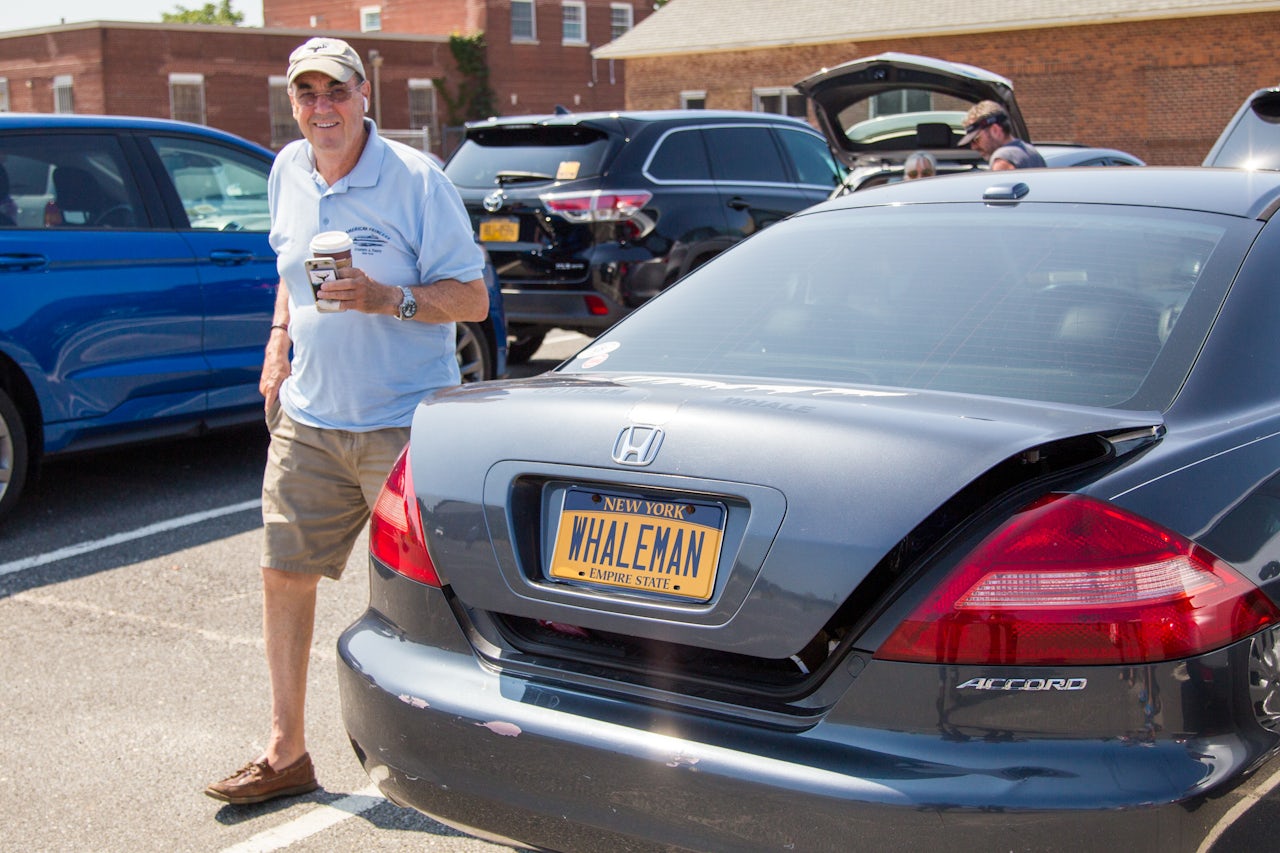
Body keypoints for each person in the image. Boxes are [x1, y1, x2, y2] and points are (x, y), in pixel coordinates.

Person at [204, 36, 488, 806]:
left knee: (436, 598)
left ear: (366, 95)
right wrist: (277, 343)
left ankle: (473, 761)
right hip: (312, 418)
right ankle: (286, 751)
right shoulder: (285, 171)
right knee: (283, 572)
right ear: (292, 102)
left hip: (404, 422)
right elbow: (289, 272)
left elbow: (471, 298)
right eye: (307, 93)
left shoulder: (416, 181)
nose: (322, 107)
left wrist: (386, 297)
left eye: (336, 90)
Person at [957, 100, 1046, 171]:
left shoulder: (1002, 160)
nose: (973, 147)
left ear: (995, 130)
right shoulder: (1032, 152)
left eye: (976, 139)